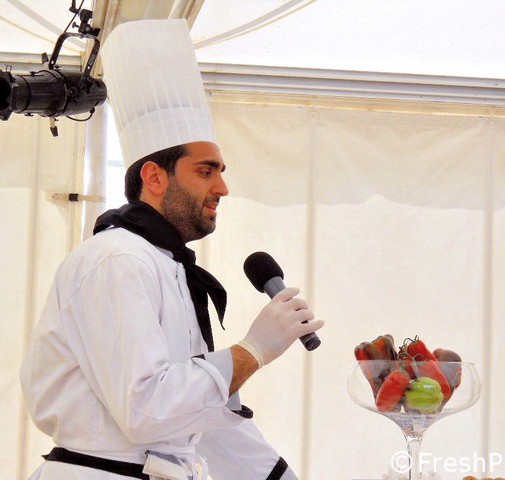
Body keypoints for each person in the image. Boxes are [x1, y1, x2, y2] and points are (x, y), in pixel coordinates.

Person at [20, 19, 324, 480]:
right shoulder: (117, 259)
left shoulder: (169, 267)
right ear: (155, 177)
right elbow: (147, 410)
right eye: (206, 171)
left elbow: (200, 420)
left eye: (220, 171)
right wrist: (252, 351)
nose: (222, 187)